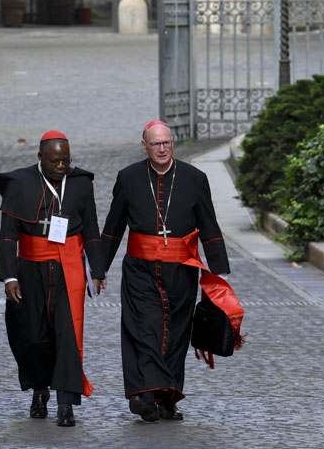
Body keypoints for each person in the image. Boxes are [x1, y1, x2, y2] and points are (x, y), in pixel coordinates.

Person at [98, 120, 230, 422]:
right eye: (156, 144)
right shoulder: (129, 178)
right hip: (140, 270)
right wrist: (100, 268)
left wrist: (218, 271)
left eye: (167, 143)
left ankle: (168, 398)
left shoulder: (195, 178)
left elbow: (209, 225)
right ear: (144, 146)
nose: (162, 149)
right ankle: (144, 395)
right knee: (146, 328)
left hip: (182, 270)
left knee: (177, 335)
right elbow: (113, 227)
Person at [0, 130, 104, 427]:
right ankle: (39, 390)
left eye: (66, 161)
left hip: (68, 269)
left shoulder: (80, 184)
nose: (61, 167)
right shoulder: (20, 184)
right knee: (33, 337)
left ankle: (66, 404)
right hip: (29, 270)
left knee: (67, 335)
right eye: (54, 161)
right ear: (40, 158)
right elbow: (8, 235)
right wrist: (9, 277)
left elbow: (90, 229)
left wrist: (98, 271)